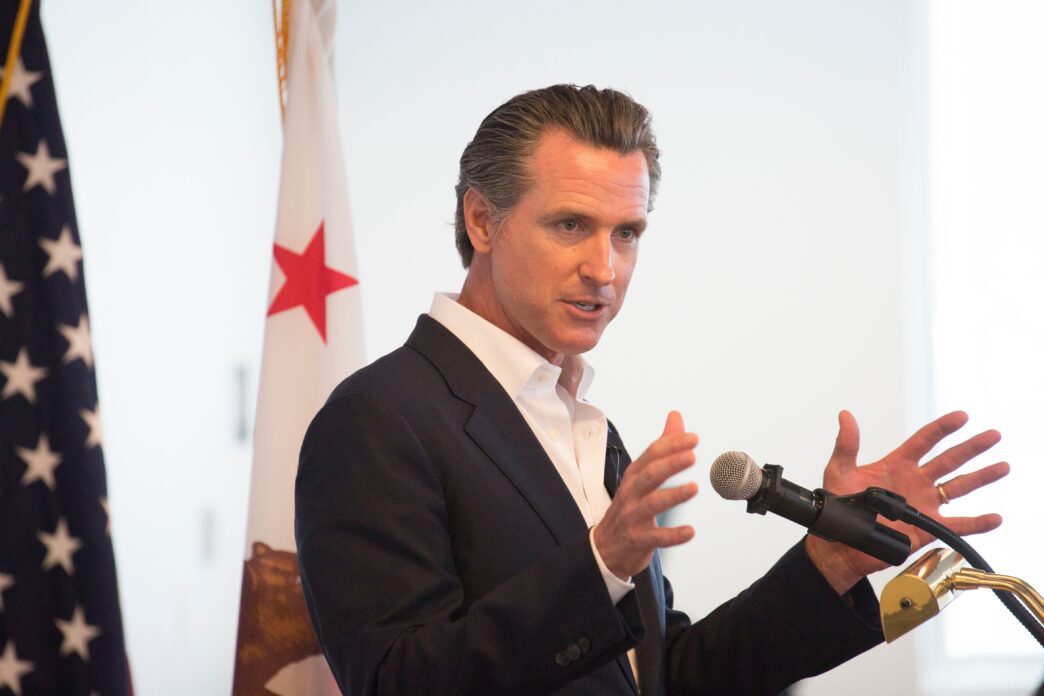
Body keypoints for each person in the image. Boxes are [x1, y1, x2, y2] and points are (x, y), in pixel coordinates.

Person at [294, 84, 1009, 695]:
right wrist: (600, 563)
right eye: (570, 225)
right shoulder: (377, 419)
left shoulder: (580, 423)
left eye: (627, 233)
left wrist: (831, 563)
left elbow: (658, 677)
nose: (603, 269)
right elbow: (395, 681)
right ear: (482, 220)